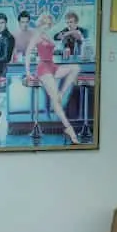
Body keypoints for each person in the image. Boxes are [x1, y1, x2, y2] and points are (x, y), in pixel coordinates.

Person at [26, 13, 81, 145]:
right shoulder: (37, 36)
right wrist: (28, 73)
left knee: (75, 68)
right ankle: (69, 129)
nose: (48, 26)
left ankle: (61, 93)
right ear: (41, 23)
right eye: (46, 23)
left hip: (52, 66)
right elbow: (28, 53)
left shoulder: (47, 35)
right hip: (43, 68)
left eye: (50, 24)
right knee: (56, 102)